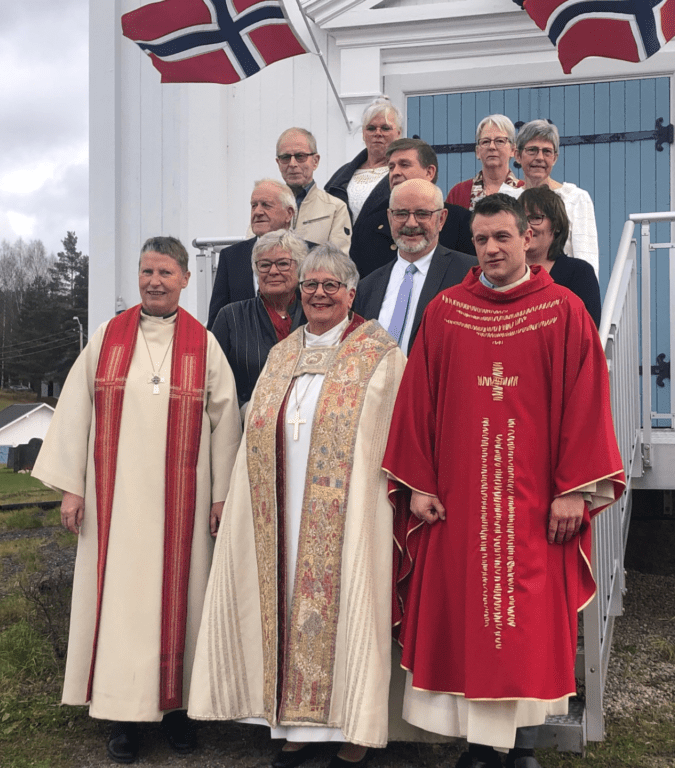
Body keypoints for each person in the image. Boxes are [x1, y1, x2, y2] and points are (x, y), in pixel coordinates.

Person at [383, 193, 625, 768]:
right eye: (482, 239)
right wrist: (419, 485)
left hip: (538, 504)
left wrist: (573, 490)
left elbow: (586, 405)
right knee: (466, 619)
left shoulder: (562, 310)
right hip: (459, 503)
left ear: (529, 239)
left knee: (526, 625)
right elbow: (417, 403)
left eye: (503, 238)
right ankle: (476, 745)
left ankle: (518, 745)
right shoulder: (446, 312)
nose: (491, 249)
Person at [189, 245, 404, 768]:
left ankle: (352, 728)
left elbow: (395, 433)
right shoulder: (283, 353)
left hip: (350, 512)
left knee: (352, 609)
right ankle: (296, 727)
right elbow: (259, 425)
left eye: (332, 285)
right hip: (280, 508)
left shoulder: (380, 352)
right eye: (311, 285)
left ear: (352, 293)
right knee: (284, 607)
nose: (320, 294)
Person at [33, 237, 242, 764]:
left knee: (183, 605)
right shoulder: (108, 337)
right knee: (121, 608)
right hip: (115, 506)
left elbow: (225, 426)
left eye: (165, 272)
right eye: (147, 271)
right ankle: (121, 716)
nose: (154, 281)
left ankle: (177, 713)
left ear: (184, 280)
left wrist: (221, 499)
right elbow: (77, 409)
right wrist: (73, 487)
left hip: (184, 511)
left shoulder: (203, 344)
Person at [353, 178, 476, 354]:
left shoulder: (468, 275)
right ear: (390, 217)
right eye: (401, 213)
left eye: (422, 213)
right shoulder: (367, 287)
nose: (411, 223)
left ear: (441, 219)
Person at [350, 138, 475, 278]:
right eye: (391, 167)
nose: (395, 172)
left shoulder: (462, 223)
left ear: (429, 172)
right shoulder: (368, 226)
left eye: (404, 165)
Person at [210, 229, 307, 409]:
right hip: (246, 424)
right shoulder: (230, 317)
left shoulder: (313, 317)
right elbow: (212, 381)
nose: (273, 271)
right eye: (264, 265)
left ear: (300, 269)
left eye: (283, 264)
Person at [510, 120, 600, 276]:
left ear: (555, 158)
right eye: (532, 150)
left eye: (547, 152)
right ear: (518, 155)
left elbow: (586, 258)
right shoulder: (507, 199)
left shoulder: (576, 198)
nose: (540, 157)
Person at [208, 179, 297, 328]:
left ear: (289, 214)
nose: (257, 212)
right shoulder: (231, 257)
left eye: (266, 205)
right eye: (253, 205)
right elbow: (216, 321)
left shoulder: (310, 253)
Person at [518, 186, 601, 327]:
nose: (527, 226)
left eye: (536, 217)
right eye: (521, 218)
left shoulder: (579, 273)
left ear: (556, 225)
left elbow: (588, 329)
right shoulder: (506, 272)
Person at [325, 97, 402, 227]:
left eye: (385, 128)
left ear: (398, 134)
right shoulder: (341, 174)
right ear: (363, 134)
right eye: (371, 128)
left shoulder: (405, 173)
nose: (378, 133)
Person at [273, 127, 352, 254]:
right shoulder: (266, 206)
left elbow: (338, 262)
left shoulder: (335, 208)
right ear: (278, 163)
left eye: (300, 156)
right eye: (285, 157)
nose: (292, 164)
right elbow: (252, 252)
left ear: (315, 161)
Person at [444, 115, 522, 211]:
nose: (492, 147)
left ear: (513, 150)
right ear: (477, 152)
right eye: (485, 141)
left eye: (500, 141)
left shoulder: (524, 191)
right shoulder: (458, 193)